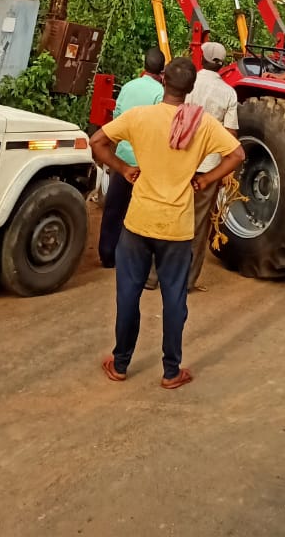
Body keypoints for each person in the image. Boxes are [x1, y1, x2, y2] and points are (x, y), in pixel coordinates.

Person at [90, 56, 244, 389]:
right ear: (190, 89)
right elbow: (237, 154)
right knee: (174, 298)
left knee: (128, 294)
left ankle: (119, 364)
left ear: (163, 82)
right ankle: (171, 371)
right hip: (177, 225)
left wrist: (123, 169)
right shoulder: (201, 124)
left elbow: (97, 141)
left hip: (139, 221)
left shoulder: (141, 116)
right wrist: (205, 180)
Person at [98, 47, 166, 268]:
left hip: (122, 159)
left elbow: (117, 119)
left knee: (114, 208)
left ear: (144, 66)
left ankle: (107, 255)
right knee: (141, 213)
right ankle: (135, 259)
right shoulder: (160, 94)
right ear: (162, 71)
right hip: (145, 164)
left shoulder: (128, 87)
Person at [188, 41, 239, 292]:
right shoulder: (229, 93)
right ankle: (187, 281)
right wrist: (226, 170)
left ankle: (154, 276)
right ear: (221, 63)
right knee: (198, 224)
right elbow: (230, 135)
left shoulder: (188, 83)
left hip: (180, 161)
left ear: (202, 57)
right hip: (208, 168)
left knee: (169, 216)